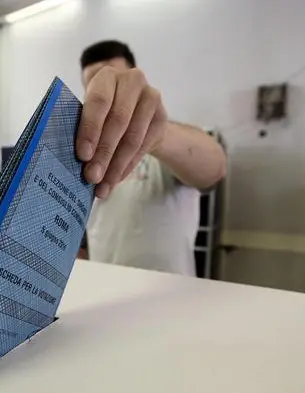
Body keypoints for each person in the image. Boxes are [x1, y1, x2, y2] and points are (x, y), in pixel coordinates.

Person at [76, 40, 226, 275]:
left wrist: (158, 135)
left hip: (168, 299)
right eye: (94, 83)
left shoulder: (167, 143)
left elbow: (214, 168)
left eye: (118, 79)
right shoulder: (85, 150)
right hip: (105, 292)